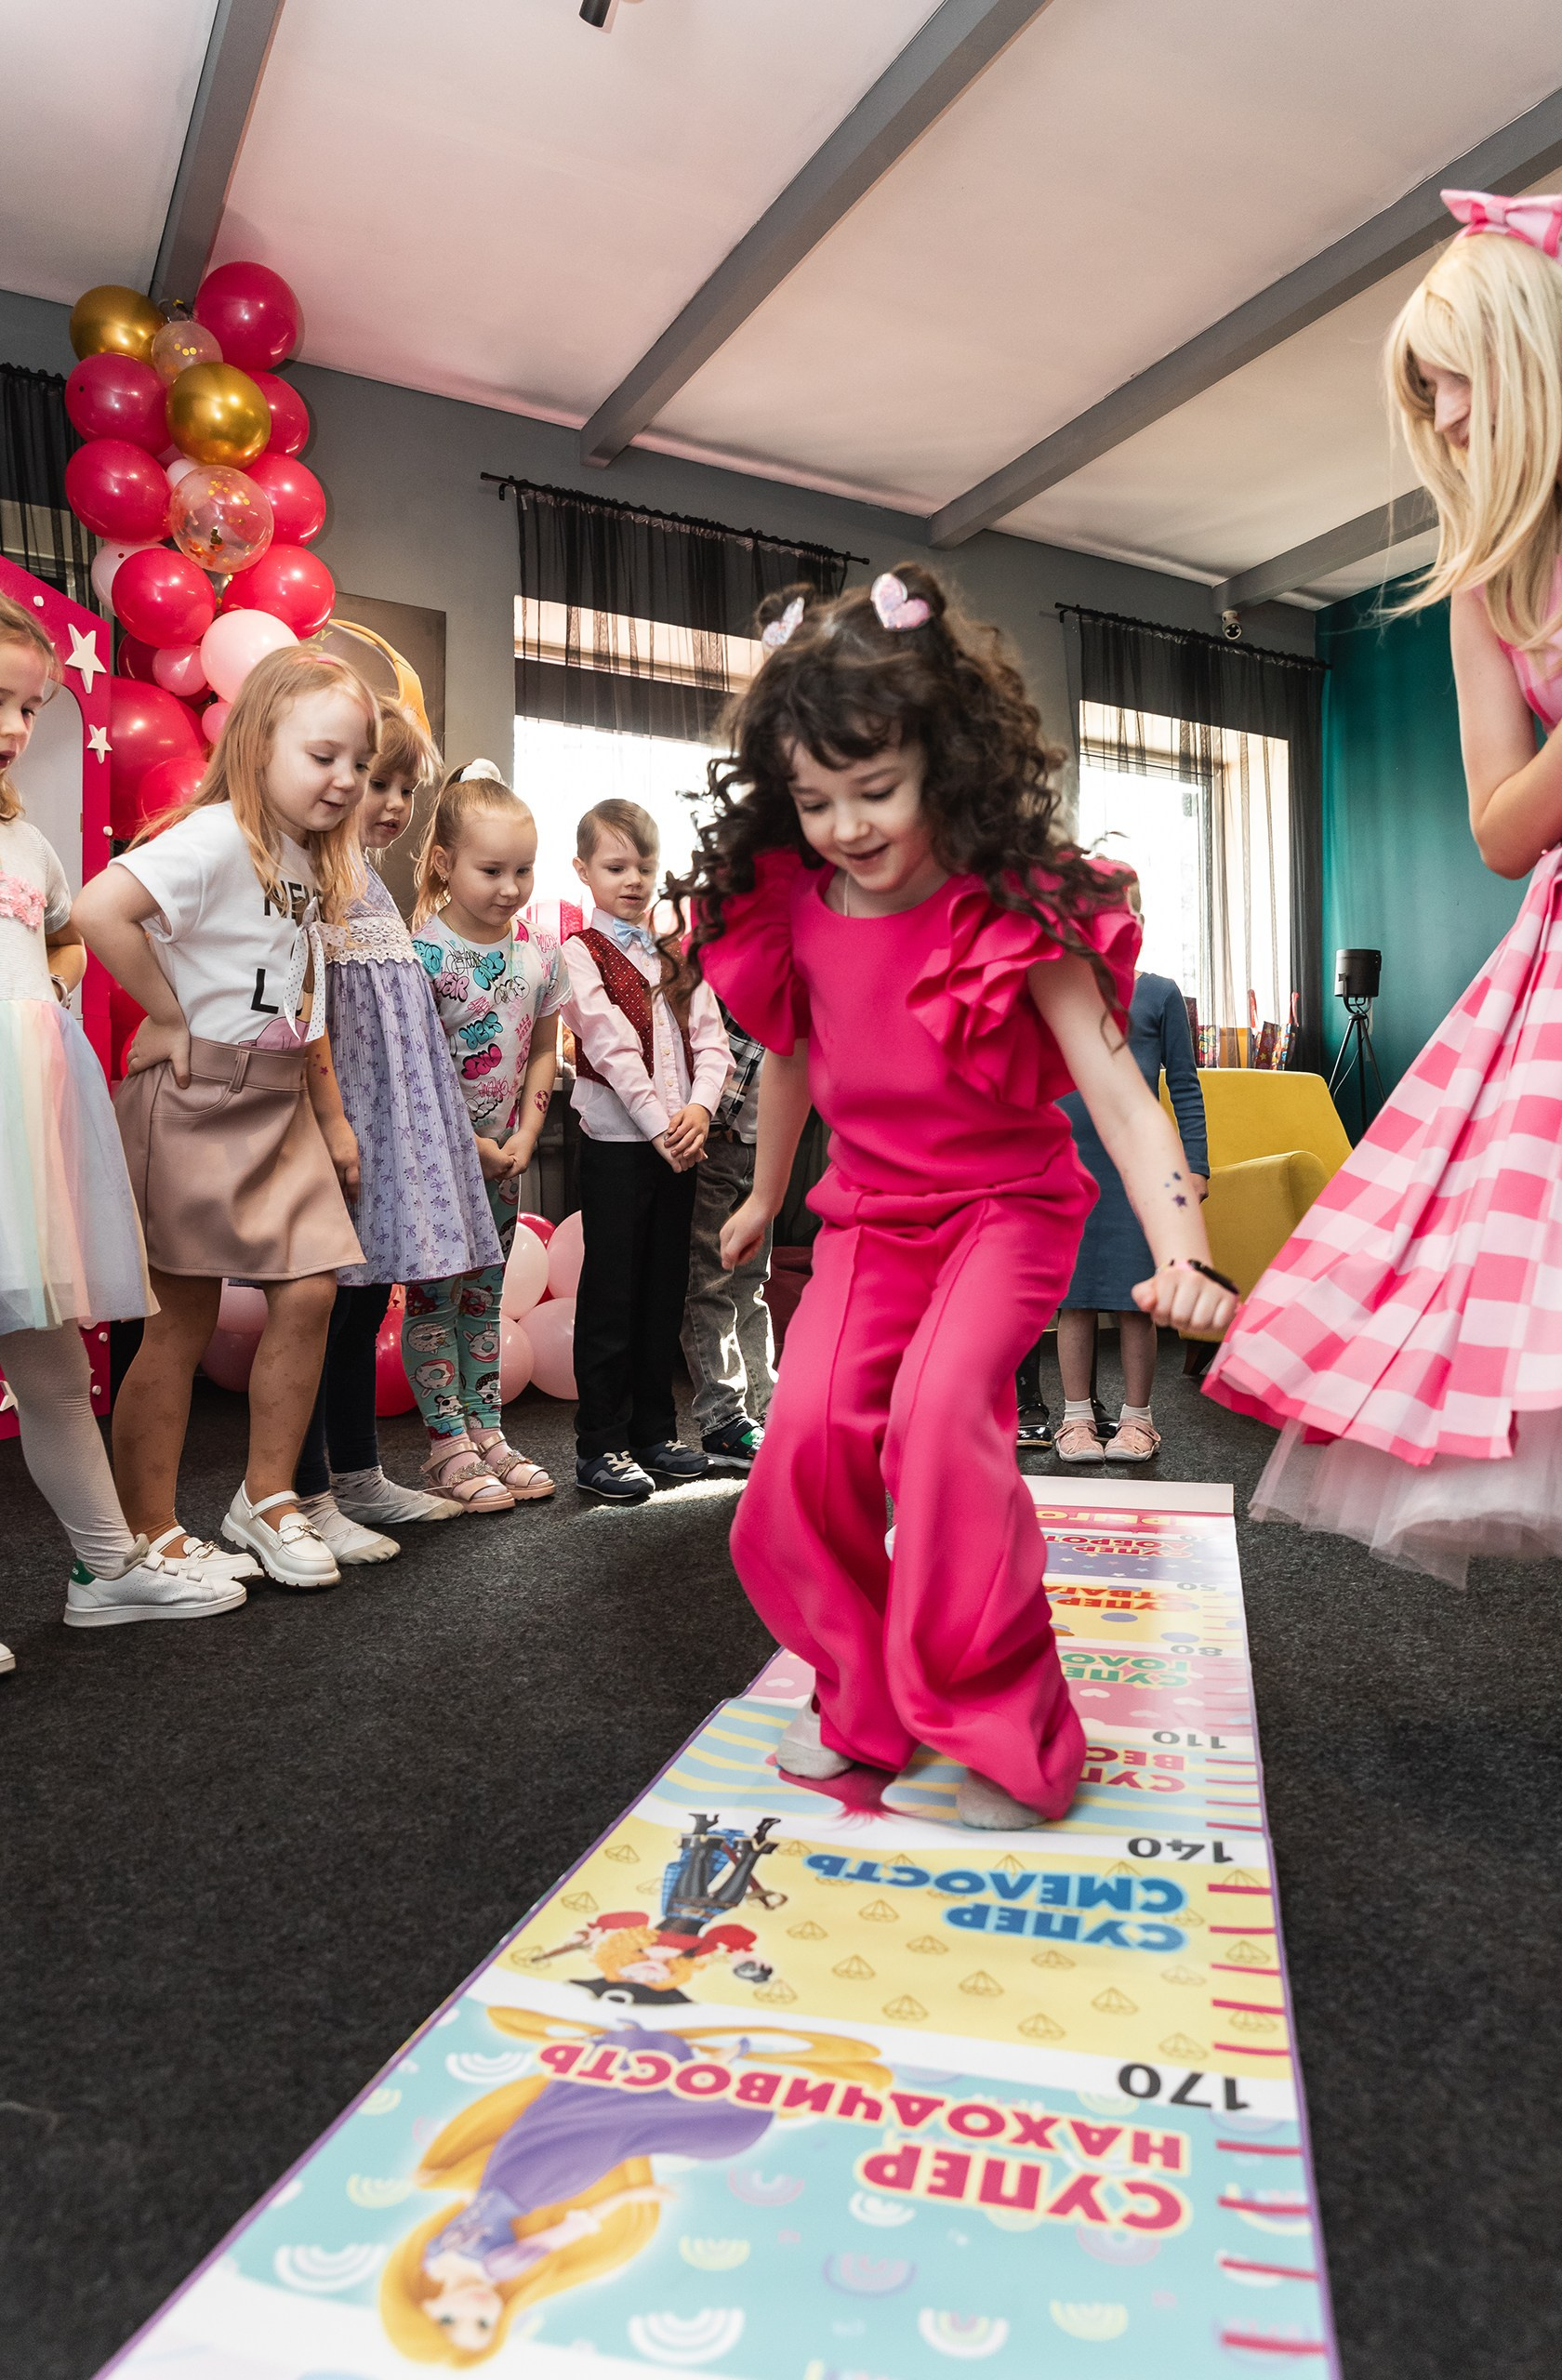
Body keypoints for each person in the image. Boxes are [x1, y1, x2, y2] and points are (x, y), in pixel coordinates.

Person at [688, 568, 1236, 1831]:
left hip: (1005, 1211)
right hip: (870, 1220)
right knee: (805, 1451)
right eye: (816, 800)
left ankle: (1011, 1741)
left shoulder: (1011, 907)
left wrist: (1182, 1246)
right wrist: (766, 1194)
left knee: (941, 1430)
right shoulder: (797, 908)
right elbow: (791, 1054)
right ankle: (862, 1703)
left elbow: (1116, 1085)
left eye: (875, 792)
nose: (845, 828)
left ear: (951, 759)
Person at [1205, 186, 1562, 1586]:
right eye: (1430, 394)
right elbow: (1495, 825)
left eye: (1459, 376)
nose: (1451, 418)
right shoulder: (1488, 582)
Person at [74, 647, 376, 1591]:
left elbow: (304, 988)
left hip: (282, 1097)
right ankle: (150, 1529)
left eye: (358, 763)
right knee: (181, 1318)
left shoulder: (313, 860)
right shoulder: (212, 835)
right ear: (256, 745)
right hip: (200, 1101)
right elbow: (98, 908)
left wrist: (329, 1116)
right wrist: (170, 1014)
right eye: (324, 755)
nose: (346, 779)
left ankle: (268, 1496)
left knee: (313, 1288)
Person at [0, 593, 242, 1645]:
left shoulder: (30, 846)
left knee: (51, 1366)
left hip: (21, 1133)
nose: (16, 728)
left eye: (32, 706)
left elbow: (60, 937)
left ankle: (105, 1571)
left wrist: (50, 997)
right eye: (0, 703)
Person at [292, 705, 504, 1560]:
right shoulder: (310, 875)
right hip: (342, 1124)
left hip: (392, 1129)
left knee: (364, 1301)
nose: (391, 801)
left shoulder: (372, 878)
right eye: (379, 781)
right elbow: (310, 1013)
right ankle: (299, 1492)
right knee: (321, 1313)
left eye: (406, 787)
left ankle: (357, 1475)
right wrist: (334, 1122)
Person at [563, 799, 730, 1503]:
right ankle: (600, 1443)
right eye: (615, 865)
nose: (633, 879)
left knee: (666, 1291)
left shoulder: (676, 953)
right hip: (619, 1147)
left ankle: (655, 1434)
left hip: (681, 1145)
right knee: (612, 1296)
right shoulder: (577, 953)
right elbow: (610, 1046)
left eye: (645, 866)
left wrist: (698, 1109)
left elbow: (712, 1042)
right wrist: (662, 1124)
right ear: (583, 871)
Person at [406, 766, 561, 1510]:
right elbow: (420, 1069)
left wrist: (527, 1131)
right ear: (444, 863)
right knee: (434, 1298)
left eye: (523, 870)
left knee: (484, 1299)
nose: (509, 887)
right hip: (440, 1164)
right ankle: (445, 1444)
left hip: (505, 1158)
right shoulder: (421, 957)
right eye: (490, 869)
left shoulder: (538, 952)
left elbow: (542, 1047)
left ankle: (488, 1430)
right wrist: (472, 1145)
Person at [1053, 906, 1210, 1464]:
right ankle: (1074, 1419)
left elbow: (1186, 1088)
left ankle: (1138, 1419)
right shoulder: (1055, 988)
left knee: (1134, 1300)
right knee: (1072, 1298)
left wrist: (1196, 1167)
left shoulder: (1161, 994)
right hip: (1066, 1167)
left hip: (1139, 1168)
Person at [679, 998, 776, 1468]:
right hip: (715, 1142)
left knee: (750, 1285)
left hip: (763, 1149)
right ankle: (723, 1419)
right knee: (710, 1283)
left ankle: (765, 1408)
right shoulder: (720, 965)